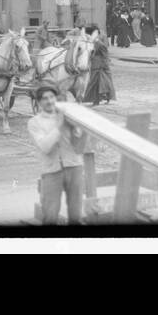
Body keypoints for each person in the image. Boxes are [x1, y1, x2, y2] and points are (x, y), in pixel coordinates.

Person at [28, 84, 87, 225]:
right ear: (39, 102)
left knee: (76, 216)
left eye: (52, 97)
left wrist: (78, 128)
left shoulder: (67, 117)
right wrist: (59, 126)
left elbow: (79, 148)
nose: (49, 101)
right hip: (51, 171)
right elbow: (45, 147)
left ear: (56, 98)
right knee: (50, 216)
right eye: (44, 99)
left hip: (74, 167)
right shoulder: (34, 122)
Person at [82, 27, 116, 104]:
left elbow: (105, 55)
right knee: (97, 84)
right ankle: (98, 99)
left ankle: (99, 99)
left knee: (99, 83)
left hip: (100, 66)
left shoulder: (99, 44)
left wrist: (104, 66)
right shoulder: (92, 42)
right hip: (94, 65)